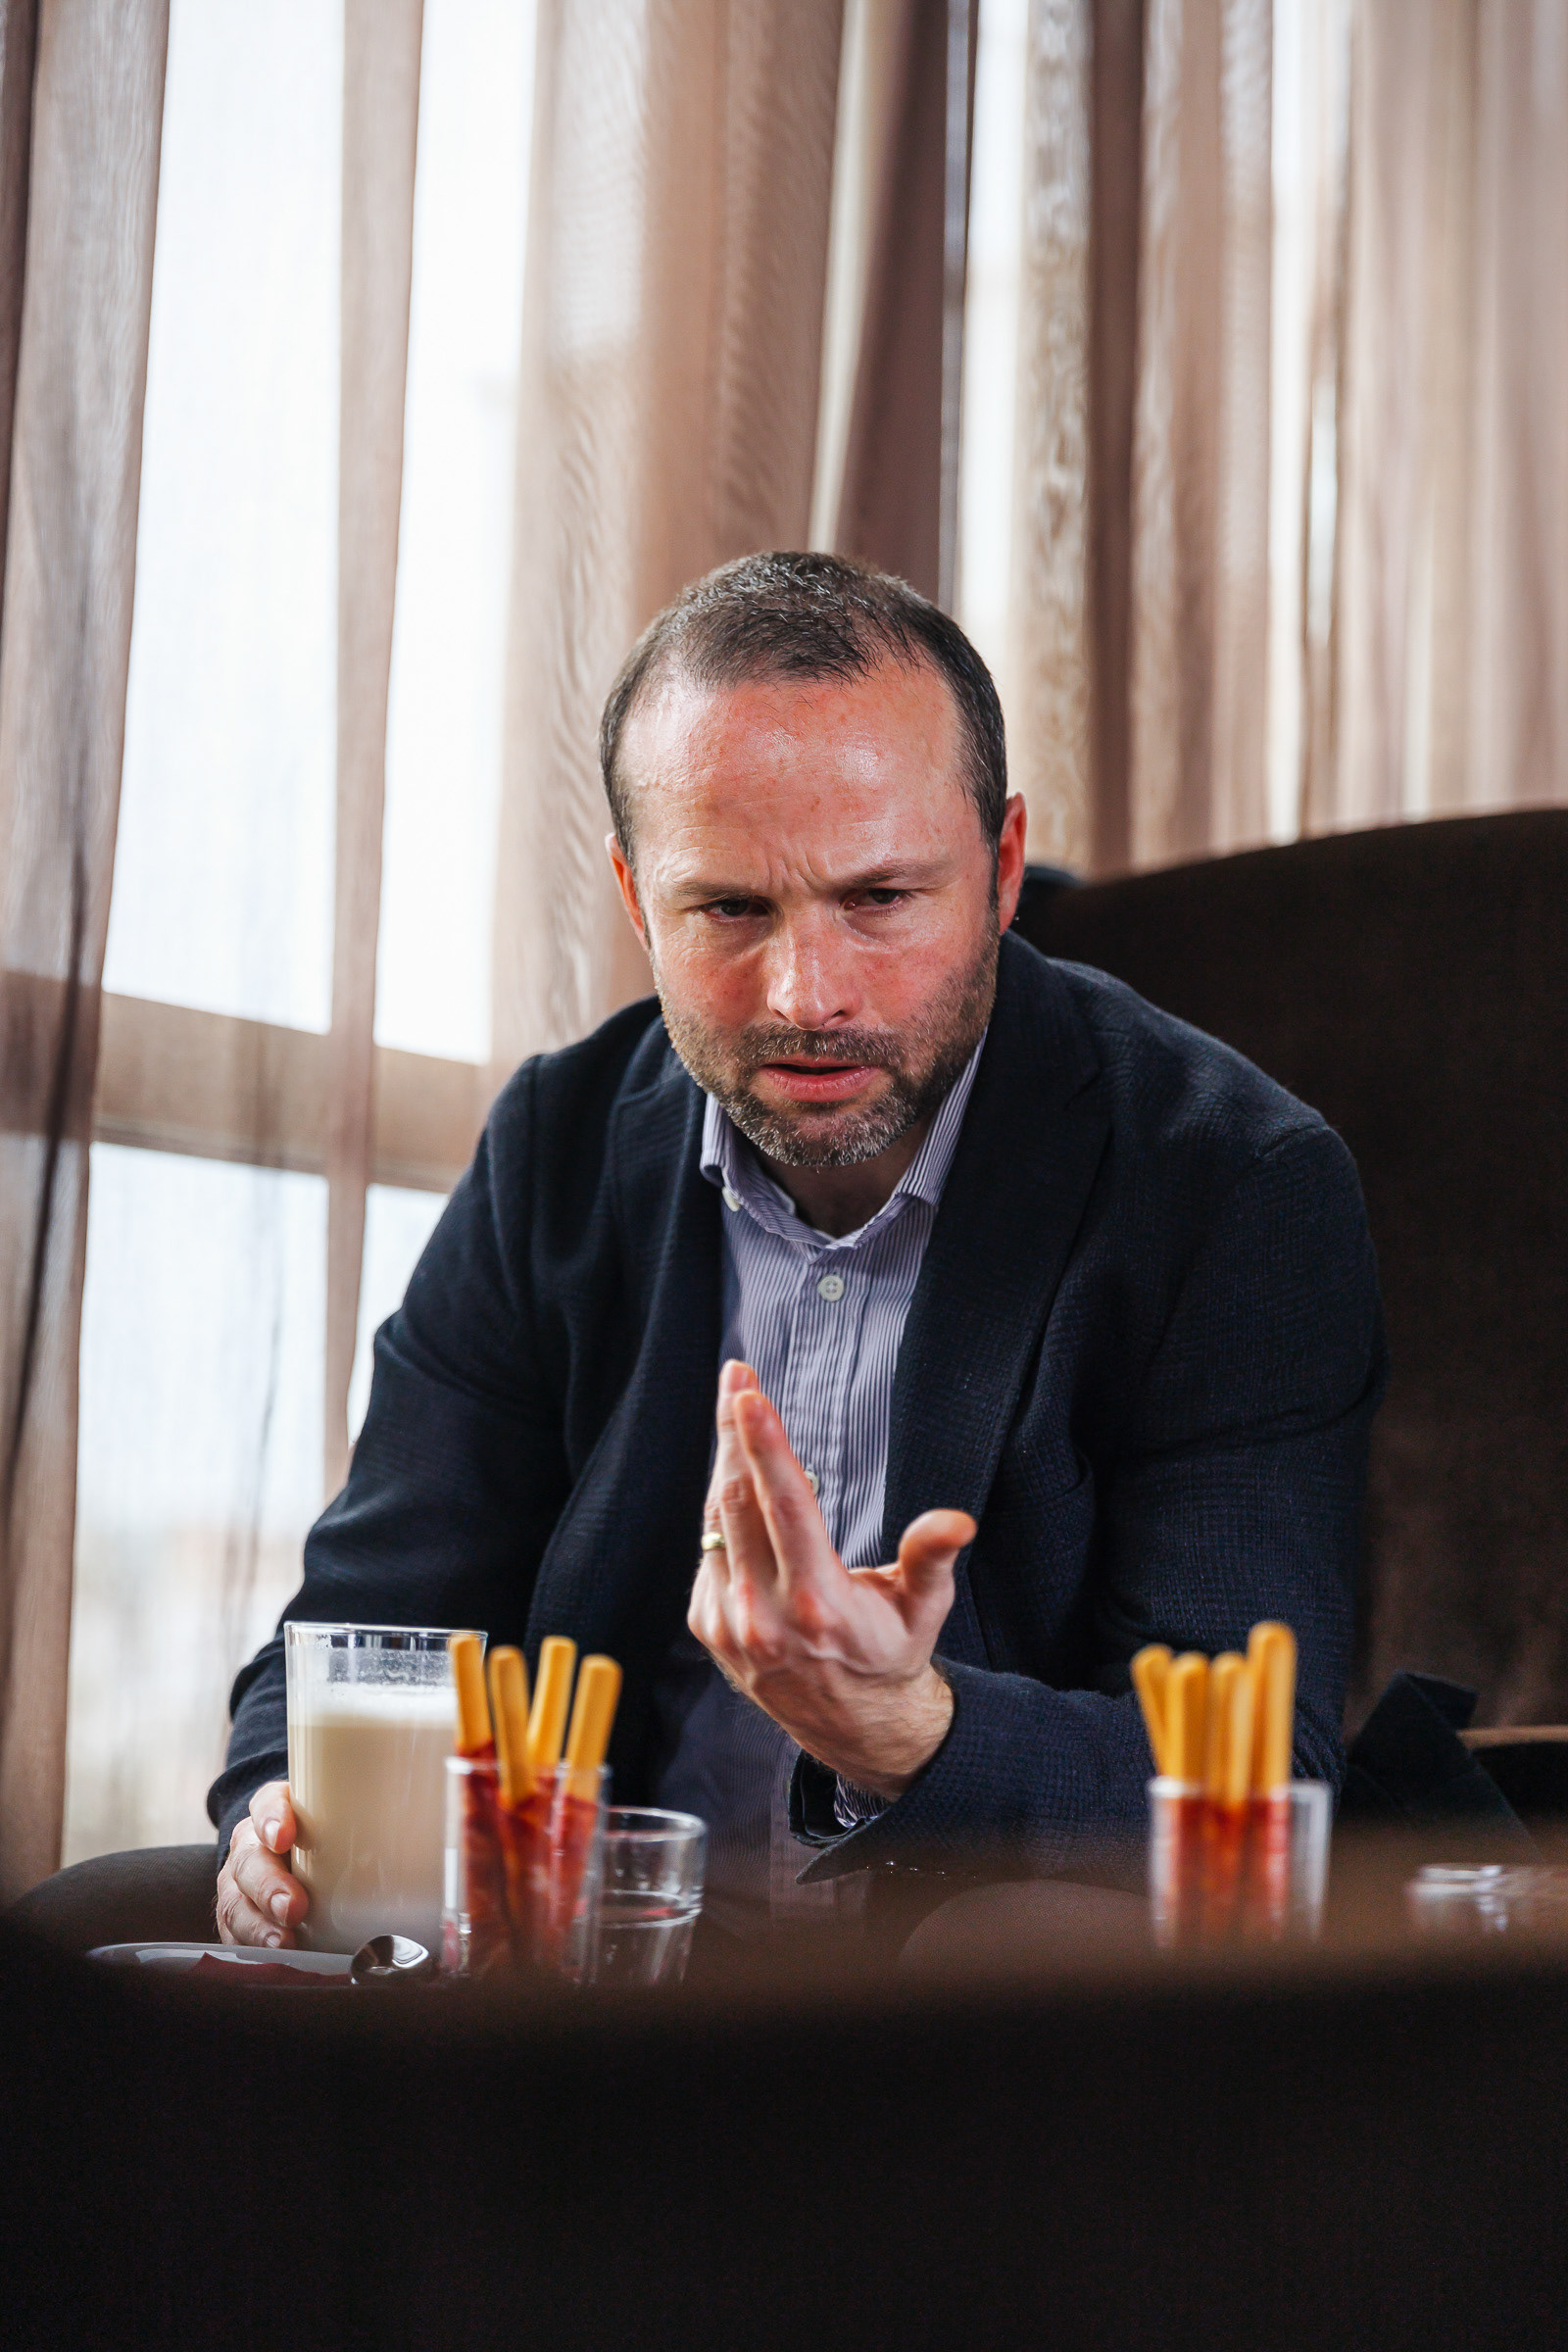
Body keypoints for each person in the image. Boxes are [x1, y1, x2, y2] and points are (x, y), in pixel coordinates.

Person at [212, 551, 1386, 1947]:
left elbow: (1255, 1778)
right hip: (595, 1971)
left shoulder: (1235, 1185)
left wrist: (900, 1726)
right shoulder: (553, 1147)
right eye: (730, 909)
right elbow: (360, 1632)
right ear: (637, 898)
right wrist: (278, 1824)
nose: (807, 993)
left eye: (879, 898)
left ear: (1002, 868)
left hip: (974, 1995)